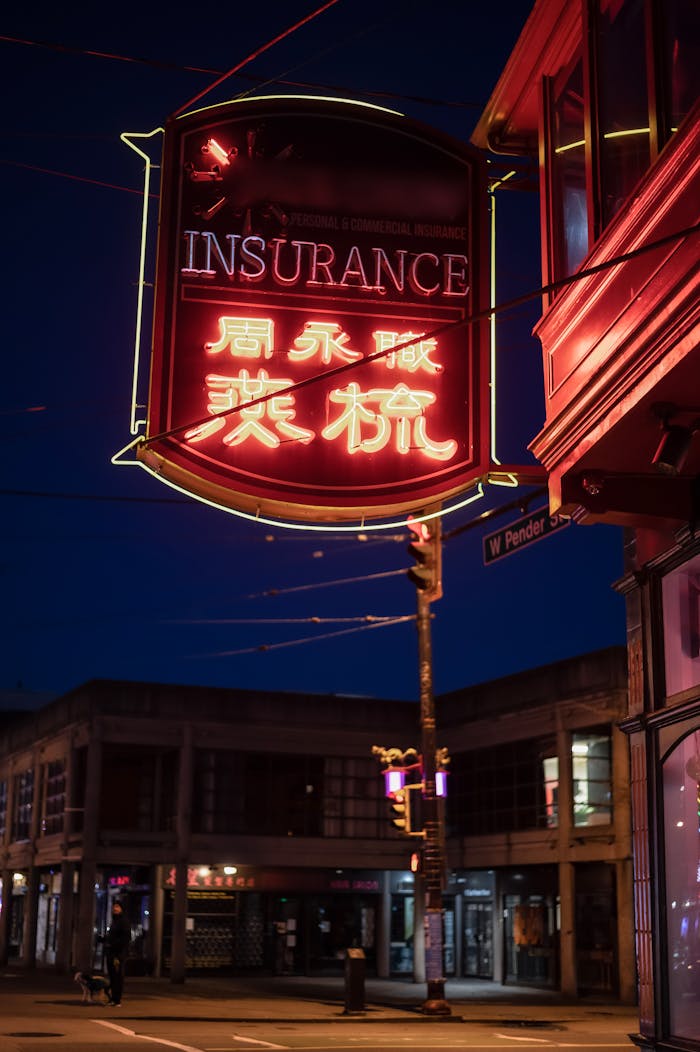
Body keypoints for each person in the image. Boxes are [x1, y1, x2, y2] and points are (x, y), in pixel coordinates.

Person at [103, 900, 131, 1006]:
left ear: (122, 909)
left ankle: (117, 999)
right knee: (112, 976)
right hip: (112, 952)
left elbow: (125, 938)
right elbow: (112, 936)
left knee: (118, 977)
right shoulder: (115, 921)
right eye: (114, 906)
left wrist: (114, 946)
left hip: (118, 954)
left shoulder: (124, 921)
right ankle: (113, 998)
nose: (115, 908)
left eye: (117, 907)